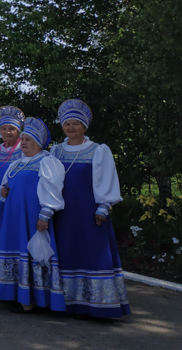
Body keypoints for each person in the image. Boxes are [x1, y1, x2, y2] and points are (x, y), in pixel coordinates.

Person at [50, 99, 129, 318]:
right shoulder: (55, 151)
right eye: (67, 123)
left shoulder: (98, 151)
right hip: (63, 214)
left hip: (88, 212)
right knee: (67, 253)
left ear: (85, 126)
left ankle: (98, 305)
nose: (71, 127)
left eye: (76, 123)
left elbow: (106, 179)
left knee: (92, 253)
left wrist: (103, 207)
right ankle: (67, 302)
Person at [0, 117, 66, 312]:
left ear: (39, 143)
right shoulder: (16, 163)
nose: (23, 143)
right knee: (16, 252)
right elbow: (4, 186)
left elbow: (52, 190)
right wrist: (3, 191)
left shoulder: (47, 161)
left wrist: (45, 214)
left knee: (33, 254)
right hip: (14, 218)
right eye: (22, 139)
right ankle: (17, 294)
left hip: (31, 216)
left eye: (28, 139)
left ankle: (32, 300)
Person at [0, 106, 25, 255]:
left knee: (13, 230)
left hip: (14, 199)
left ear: (18, 131)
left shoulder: (23, 150)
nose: (7, 132)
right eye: (4, 129)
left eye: (11, 129)